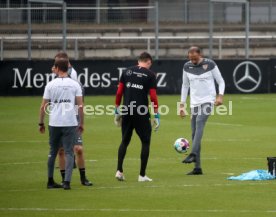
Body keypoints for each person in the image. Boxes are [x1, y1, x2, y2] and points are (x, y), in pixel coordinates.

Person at [39, 52, 84, 190]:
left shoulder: (50, 85)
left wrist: (41, 123)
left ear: (57, 68)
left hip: (54, 122)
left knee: (53, 152)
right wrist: (81, 123)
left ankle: (50, 180)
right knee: (69, 152)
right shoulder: (75, 84)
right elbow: (80, 106)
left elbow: (43, 106)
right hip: (70, 122)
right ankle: (67, 182)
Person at [114, 52, 160, 182]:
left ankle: (119, 171)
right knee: (145, 142)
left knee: (125, 141)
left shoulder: (127, 71)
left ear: (139, 61)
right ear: (149, 62)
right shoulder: (150, 75)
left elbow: (119, 92)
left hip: (127, 110)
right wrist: (156, 114)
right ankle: (142, 175)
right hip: (141, 112)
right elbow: (153, 96)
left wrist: (117, 110)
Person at [179, 46, 225, 175]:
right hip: (194, 103)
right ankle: (197, 168)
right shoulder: (186, 66)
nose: (192, 61)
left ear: (200, 55)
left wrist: (220, 96)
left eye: (194, 58)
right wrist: (182, 105)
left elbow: (220, 81)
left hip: (208, 101)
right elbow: (185, 85)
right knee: (194, 134)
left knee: (199, 122)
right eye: (190, 58)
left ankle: (193, 153)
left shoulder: (210, 64)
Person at [51, 53, 92, 186]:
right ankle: (64, 180)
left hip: (73, 119)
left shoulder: (75, 81)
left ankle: (83, 178)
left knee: (78, 149)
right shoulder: (53, 82)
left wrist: (80, 120)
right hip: (58, 120)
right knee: (61, 151)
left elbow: (80, 103)